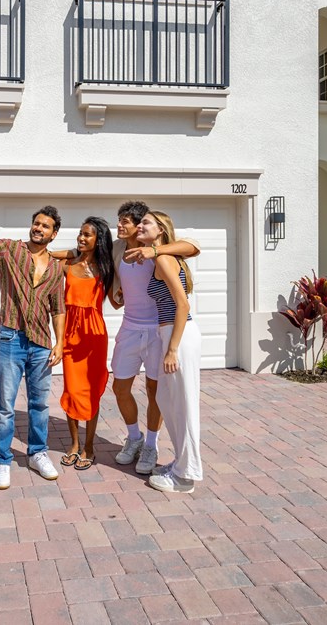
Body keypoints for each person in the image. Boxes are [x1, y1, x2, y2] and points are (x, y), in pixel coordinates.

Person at [54, 201, 200, 475]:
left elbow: (192, 246)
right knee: (120, 388)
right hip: (130, 327)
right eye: (118, 221)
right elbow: (82, 251)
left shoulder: (158, 252)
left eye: (125, 222)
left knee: (154, 391)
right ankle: (134, 438)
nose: (118, 226)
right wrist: (49, 253)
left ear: (139, 225)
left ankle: (151, 445)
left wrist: (154, 249)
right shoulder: (117, 248)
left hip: (157, 330)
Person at [0, 198, 65, 490]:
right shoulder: (11, 250)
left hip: (42, 343)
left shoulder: (57, 268)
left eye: (45, 226)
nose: (39, 228)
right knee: (5, 406)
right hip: (11, 338)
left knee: (39, 404)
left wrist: (60, 343)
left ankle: (37, 453)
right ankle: (3, 460)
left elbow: (58, 308)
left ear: (53, 233)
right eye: (36, 223)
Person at [136, 210, 202, 494]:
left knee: (183, 406)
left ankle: (186, 477)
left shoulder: (163, 258)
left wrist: (172, 349)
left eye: (146, 223)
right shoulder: (162, 257)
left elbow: (182, 305)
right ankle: (180, 463)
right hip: (171, 334)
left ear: (160, 230)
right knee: (167, 399)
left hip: (179, 336)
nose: (140, 225)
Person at [59, 217, 116, 471]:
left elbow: (117, 300)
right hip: (71, 334)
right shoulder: (67, 262)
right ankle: (73, 444)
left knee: (91, 392)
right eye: (80, 234)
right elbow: (47, 253)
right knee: (72, 390)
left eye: (87, 235)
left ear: (99, 239)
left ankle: (89, 446)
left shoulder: (106, 268)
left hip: (94, 336)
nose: (81, 238)